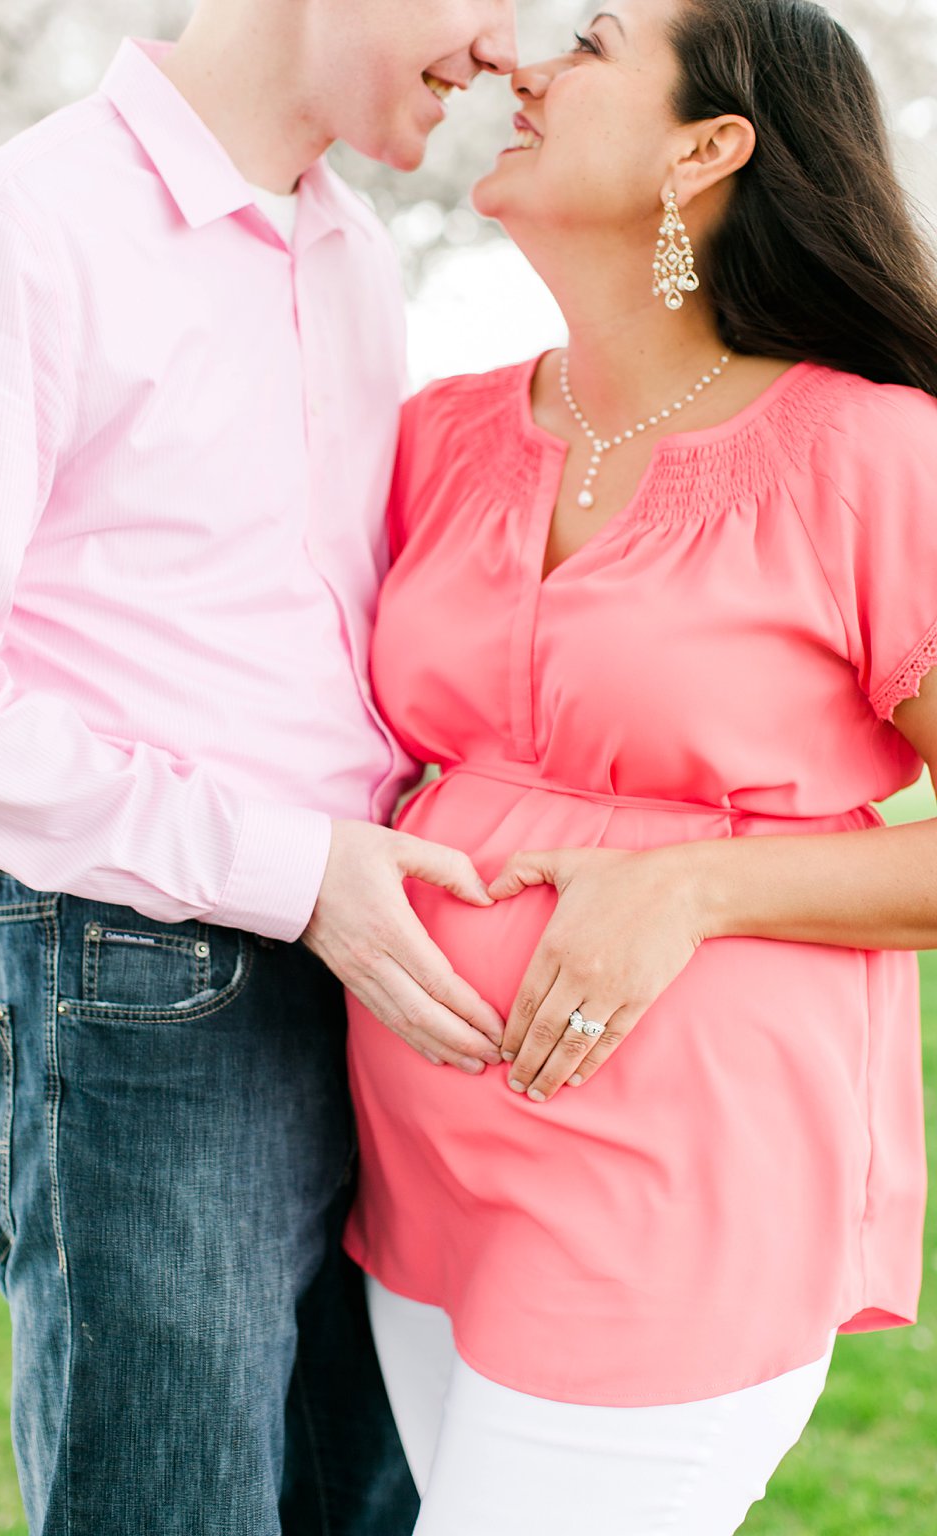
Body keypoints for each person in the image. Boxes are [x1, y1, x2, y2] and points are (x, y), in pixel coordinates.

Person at [0, 1, 517, 1530]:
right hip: (145, 982)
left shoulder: (350, 251)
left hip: (356, 963)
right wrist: (275, 868)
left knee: (362, 1506)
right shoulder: (18, 227)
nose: (506, 48)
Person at [342, 1, 937, 1530]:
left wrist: (692, 890)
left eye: (590, 45)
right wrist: (45, 848)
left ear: (710, 147)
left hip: (682, 1196)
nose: (521, 67)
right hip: (421, 1184)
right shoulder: (437, 438)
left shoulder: (875, 459)